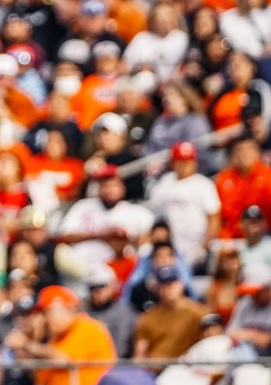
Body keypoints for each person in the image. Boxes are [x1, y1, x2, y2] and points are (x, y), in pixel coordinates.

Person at [6, 285, 116, 385]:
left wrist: (26, 344)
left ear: (64, 308)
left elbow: (64, 359)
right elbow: (41, 381)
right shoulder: (57, 338)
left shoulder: (88, 327)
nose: (45, 319)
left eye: (47, 312)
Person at [144, 142, 220, 270]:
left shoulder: (203, 184)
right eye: (180, 161)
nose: (184, 165)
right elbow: (154, 214)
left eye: (188, 161)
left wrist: (204, 246)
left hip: (197, 245)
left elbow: (214, 219)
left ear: (195, 162)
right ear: (173, 163)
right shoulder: (166, 182)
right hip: (171, 247)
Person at [132, 266, 208, 361]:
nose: (167, 289)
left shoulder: (200, 313)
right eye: (162, 285)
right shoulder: (148, 317)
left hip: (186, 367)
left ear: (181, 284)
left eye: (171, 284)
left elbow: (210, 343)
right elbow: (139, 354)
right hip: (152, 369)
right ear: (157, 289)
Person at [226, 262, 271, 356]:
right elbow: (230, 333)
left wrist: (245, 335)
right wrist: (255, 336)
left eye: (257, 292)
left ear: (269, 287)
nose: (253, 296)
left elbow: (270, 341)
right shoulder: (245, 303)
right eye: (251, 292)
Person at [83, 265, 136, 358]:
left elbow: (121, 349)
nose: (96, 291)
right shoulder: (82, 312)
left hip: (117, 366)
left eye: (101, 286)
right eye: (92, 288)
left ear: (112, 285)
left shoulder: (124, 313)